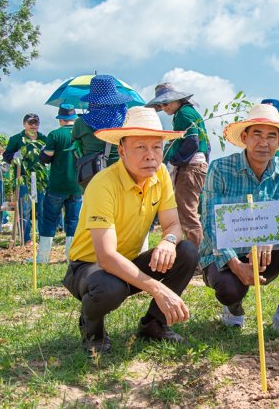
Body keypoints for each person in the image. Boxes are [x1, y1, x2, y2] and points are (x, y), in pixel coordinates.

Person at [62, 106, 197, 355]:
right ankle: (92, 330)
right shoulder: (103, 184)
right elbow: (105, 256)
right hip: (89, 267)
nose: (150, 156)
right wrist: (158, 289)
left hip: (128, 262)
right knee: (109, 287)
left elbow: (174, 225)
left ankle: (154, 324)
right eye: (140, 147)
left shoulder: (161, 176)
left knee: (186, 251)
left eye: (156, 147)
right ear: (121, 150)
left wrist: (168, 241)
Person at [199, 103, 279, 338]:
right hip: (225, 254)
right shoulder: (220, 168)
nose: (264, 143)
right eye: (257, 135)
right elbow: (211, 222)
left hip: (265, 253)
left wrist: (271, 233)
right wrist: (235, 265)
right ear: (244, 137)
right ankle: (233, 308)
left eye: (272, 136)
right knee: (229, 289)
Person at [146, 82, 210, 246]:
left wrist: (175, 161)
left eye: (165, 103)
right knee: (187, 211)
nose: (163, 107)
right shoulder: (186, 112)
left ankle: (198, 257)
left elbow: (192, 141)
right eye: (160, 105)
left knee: (187, 213)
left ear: (177, 100)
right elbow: (205, 145)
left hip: (190, 167)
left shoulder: (184, 113)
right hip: (196, 165)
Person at [37, 104, 83, 262]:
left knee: (49, 219)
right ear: (74, 118)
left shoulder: (55, 135)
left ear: (60, 119)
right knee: (73, 220)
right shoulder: (81, 135)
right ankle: (71, 256)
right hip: (77, 186)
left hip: (57, 185)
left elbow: (47, 157)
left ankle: (43, 257)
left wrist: (42, 152)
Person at [72, 75, 130, 181]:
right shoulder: (125, 120)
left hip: (92, 175)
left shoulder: (80, 123)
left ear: (92, 100)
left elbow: (74, 146)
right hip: (122, 175)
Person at [3, 113, 47, 245]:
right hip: (23, 178)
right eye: (31, 123)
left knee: (41, 208)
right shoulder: (16, 139)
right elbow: (6, 155)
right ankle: (26, 238)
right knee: (25, 208)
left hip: (38, 179)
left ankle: (44, 238)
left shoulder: (43, 138)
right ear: (24, 124)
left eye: (36, 123)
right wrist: (14, 156)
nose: (34, 125)